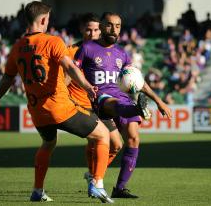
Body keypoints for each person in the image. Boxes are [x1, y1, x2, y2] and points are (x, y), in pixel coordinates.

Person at [0, 1, 114, 203]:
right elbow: (70, 67)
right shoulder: (52, 41)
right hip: (59, 108)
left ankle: (37, 190)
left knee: (48, 143)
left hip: (37, 111)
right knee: (102, 135)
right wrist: (88, 86)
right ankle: (97, 184)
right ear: (44, 19)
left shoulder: (17, 47)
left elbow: (7, 78)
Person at [74, 12, 172, 198]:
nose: (114, 29)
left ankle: (119, 188)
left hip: (122, 97)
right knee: (110, 104)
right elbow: (72, 70)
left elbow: (136, 80)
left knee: (133, 139)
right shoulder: (87, 48)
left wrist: (159, 101)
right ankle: (136, 108)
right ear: (102, 26)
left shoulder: (122, 53)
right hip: (99, 97)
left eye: (118, 26)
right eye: (109, 25)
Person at [66, 13, 123, 187]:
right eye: (88, 30)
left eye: (96, 30)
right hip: (82, 105)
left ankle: (93, 174)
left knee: (117, 145)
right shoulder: (70, 52)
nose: (92, 34)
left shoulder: (108, 50)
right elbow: (65, 80)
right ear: (81, 29)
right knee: (96, 140)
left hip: (101, 104)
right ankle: (96, 181)